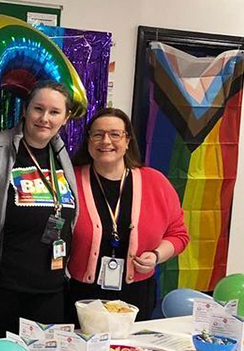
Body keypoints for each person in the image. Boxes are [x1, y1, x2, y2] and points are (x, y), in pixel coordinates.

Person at [68, 107, 189, 320]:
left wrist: (157, 255)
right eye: (98, 134)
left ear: (127, 141)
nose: (106, 141)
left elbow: (178, 235)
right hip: (80, 294)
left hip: (136, 295)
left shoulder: (155, 182)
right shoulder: (70, 180)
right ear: (88, 140)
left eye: (115, 134)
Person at [0, 80, 78, 335]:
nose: (45, 118)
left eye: (54, 112)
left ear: (65, 118)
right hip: (6, 290)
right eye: (38, 109)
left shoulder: (61, 155)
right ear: (25, 109)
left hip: (52, 289)